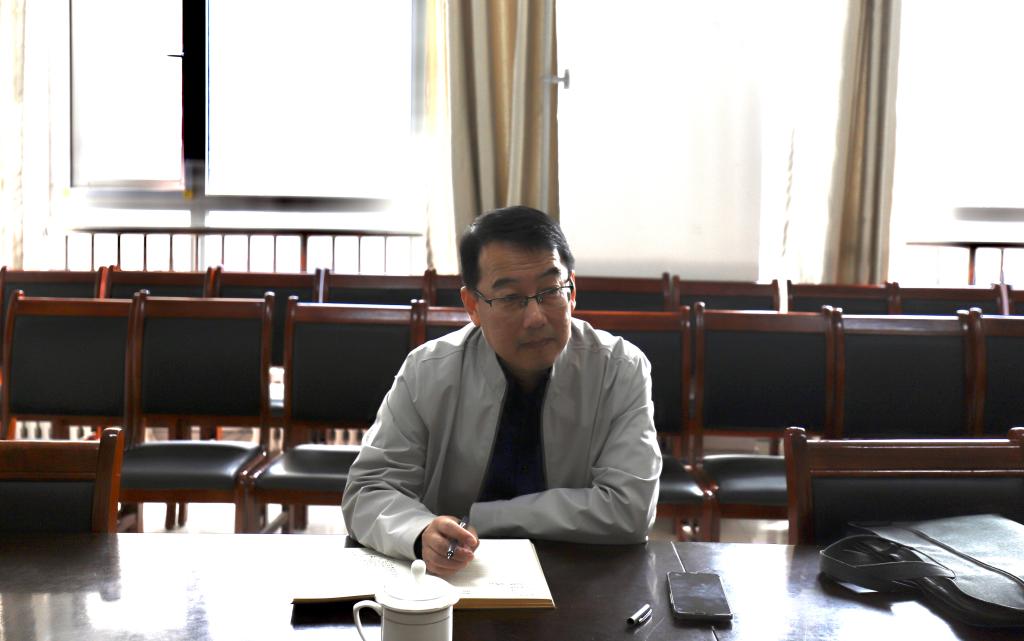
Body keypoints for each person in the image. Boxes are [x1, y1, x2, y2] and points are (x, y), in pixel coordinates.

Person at [342, 206, 662, 576]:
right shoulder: (428, 371)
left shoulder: (619, 368)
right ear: (473, 306)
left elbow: (630, 508)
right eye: (510, 298)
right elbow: (368, 490)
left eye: (550, 291)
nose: (536, 317)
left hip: (578, 572)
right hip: (451, 576)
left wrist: (480, 518)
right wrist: (419, 532)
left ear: (572, 291)